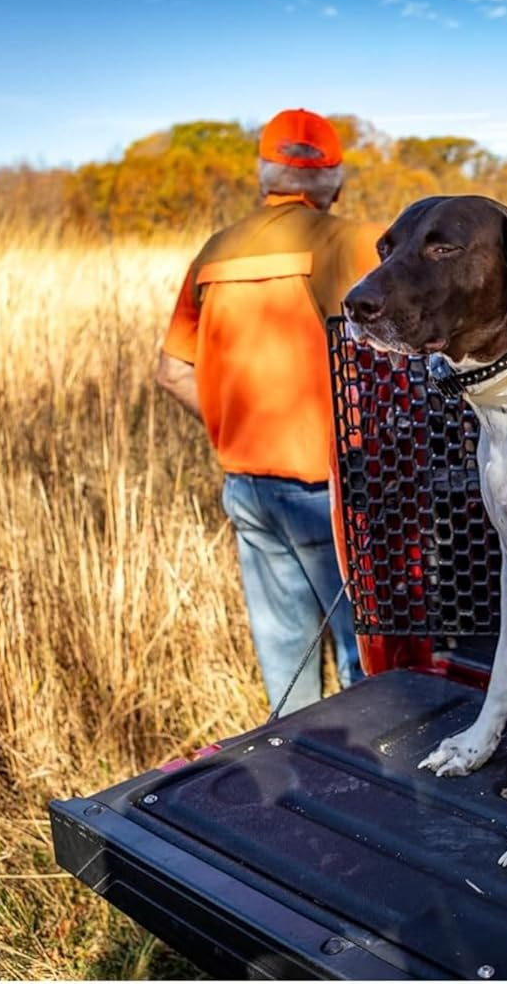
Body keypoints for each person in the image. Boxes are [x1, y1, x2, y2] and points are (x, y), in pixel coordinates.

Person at [156, 108, 377, 715]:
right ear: (333, 180)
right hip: (330, 496)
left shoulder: (216, 252)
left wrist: (236, 427)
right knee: (373, 677)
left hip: (248, 491)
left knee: (288, 683)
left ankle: (292, 784)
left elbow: (172, 372)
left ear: (264, 175)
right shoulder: (350, 242)